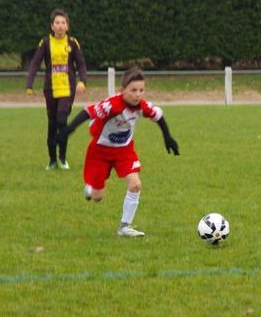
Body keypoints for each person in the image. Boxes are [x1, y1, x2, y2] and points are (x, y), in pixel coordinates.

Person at [57, 67, 179, 237]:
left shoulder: (142, 106)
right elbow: (87, 112)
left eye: (141, 90)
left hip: (124, 151)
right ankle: (90, 190)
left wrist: (168, 137)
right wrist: (68, 130)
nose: (138, 94)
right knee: (98, 196)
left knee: (135, 184)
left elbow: (158, 117)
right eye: (133, 90)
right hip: (100, 152)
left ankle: (124, 227)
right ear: (122, 91)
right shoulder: (112, 105)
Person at [26, 9, 87, 170]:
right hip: (50, 89)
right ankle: (52, 160)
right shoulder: (45, 42)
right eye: (57, 23)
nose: (60, 26)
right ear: (52, 26)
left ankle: (63, 157)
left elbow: (80, 64)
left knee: (62, 121)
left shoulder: (73, 43)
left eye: (63, 23)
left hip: (67, 89)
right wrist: (29, 84)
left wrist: (83, 81)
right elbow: (35, 63)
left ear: (67, 26)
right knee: (52, 124)